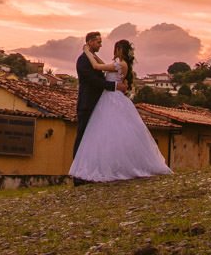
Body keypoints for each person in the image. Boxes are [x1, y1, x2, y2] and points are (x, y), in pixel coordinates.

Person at [70, 39, 173, 183]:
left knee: (109, 133)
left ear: (119, 49)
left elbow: (97, 66)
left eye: (115, 48)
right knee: (111, 134)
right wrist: (92, 54)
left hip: (112, 99)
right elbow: (102, 64)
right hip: (112, 98)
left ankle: (112, 168)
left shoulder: (119, 65)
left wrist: (87, 52)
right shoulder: (121, 64)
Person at [73, 31, 119, 158]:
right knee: (82, 137)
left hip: (97, 103)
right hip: (87, 104)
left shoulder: (91, 59)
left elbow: (101, 67)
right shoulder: (83, 60)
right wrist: (114, 86)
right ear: (90, 42)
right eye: (99, 42)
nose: (101, 45)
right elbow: (93, 81)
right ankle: (77, 172)